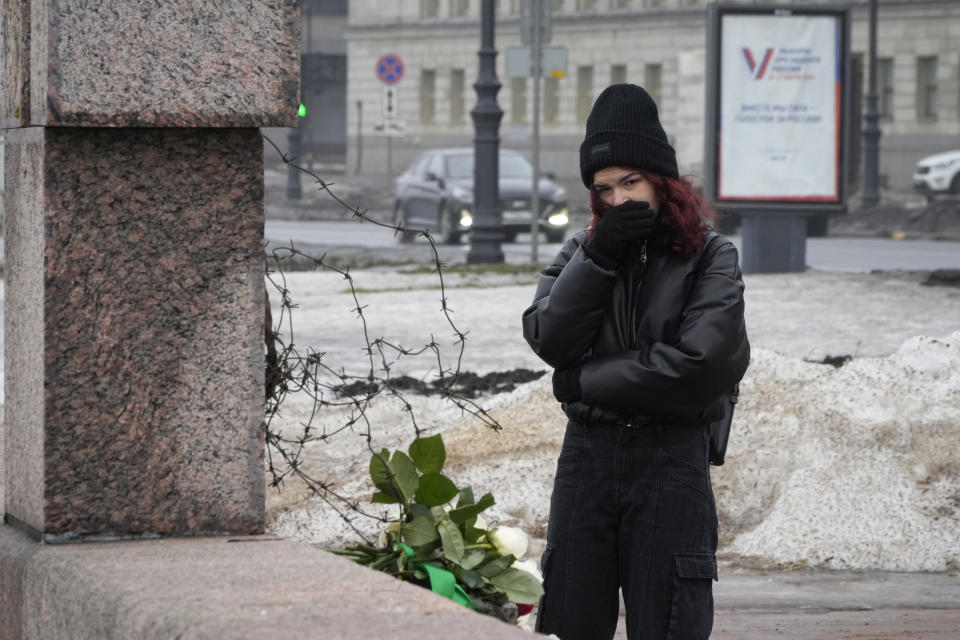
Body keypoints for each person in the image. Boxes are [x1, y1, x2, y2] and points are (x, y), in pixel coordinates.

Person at [521, 84, 750, 640]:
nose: (619, 200)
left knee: (669, 620)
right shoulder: (583, 252)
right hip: (588, 459)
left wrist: (585, 379)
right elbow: (549, 336)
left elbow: (701, 365)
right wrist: (600, 258)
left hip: (670, 458)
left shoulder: (710, 256)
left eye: (631, 182)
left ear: (660, 180)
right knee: (572, 618)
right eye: (604, 188)